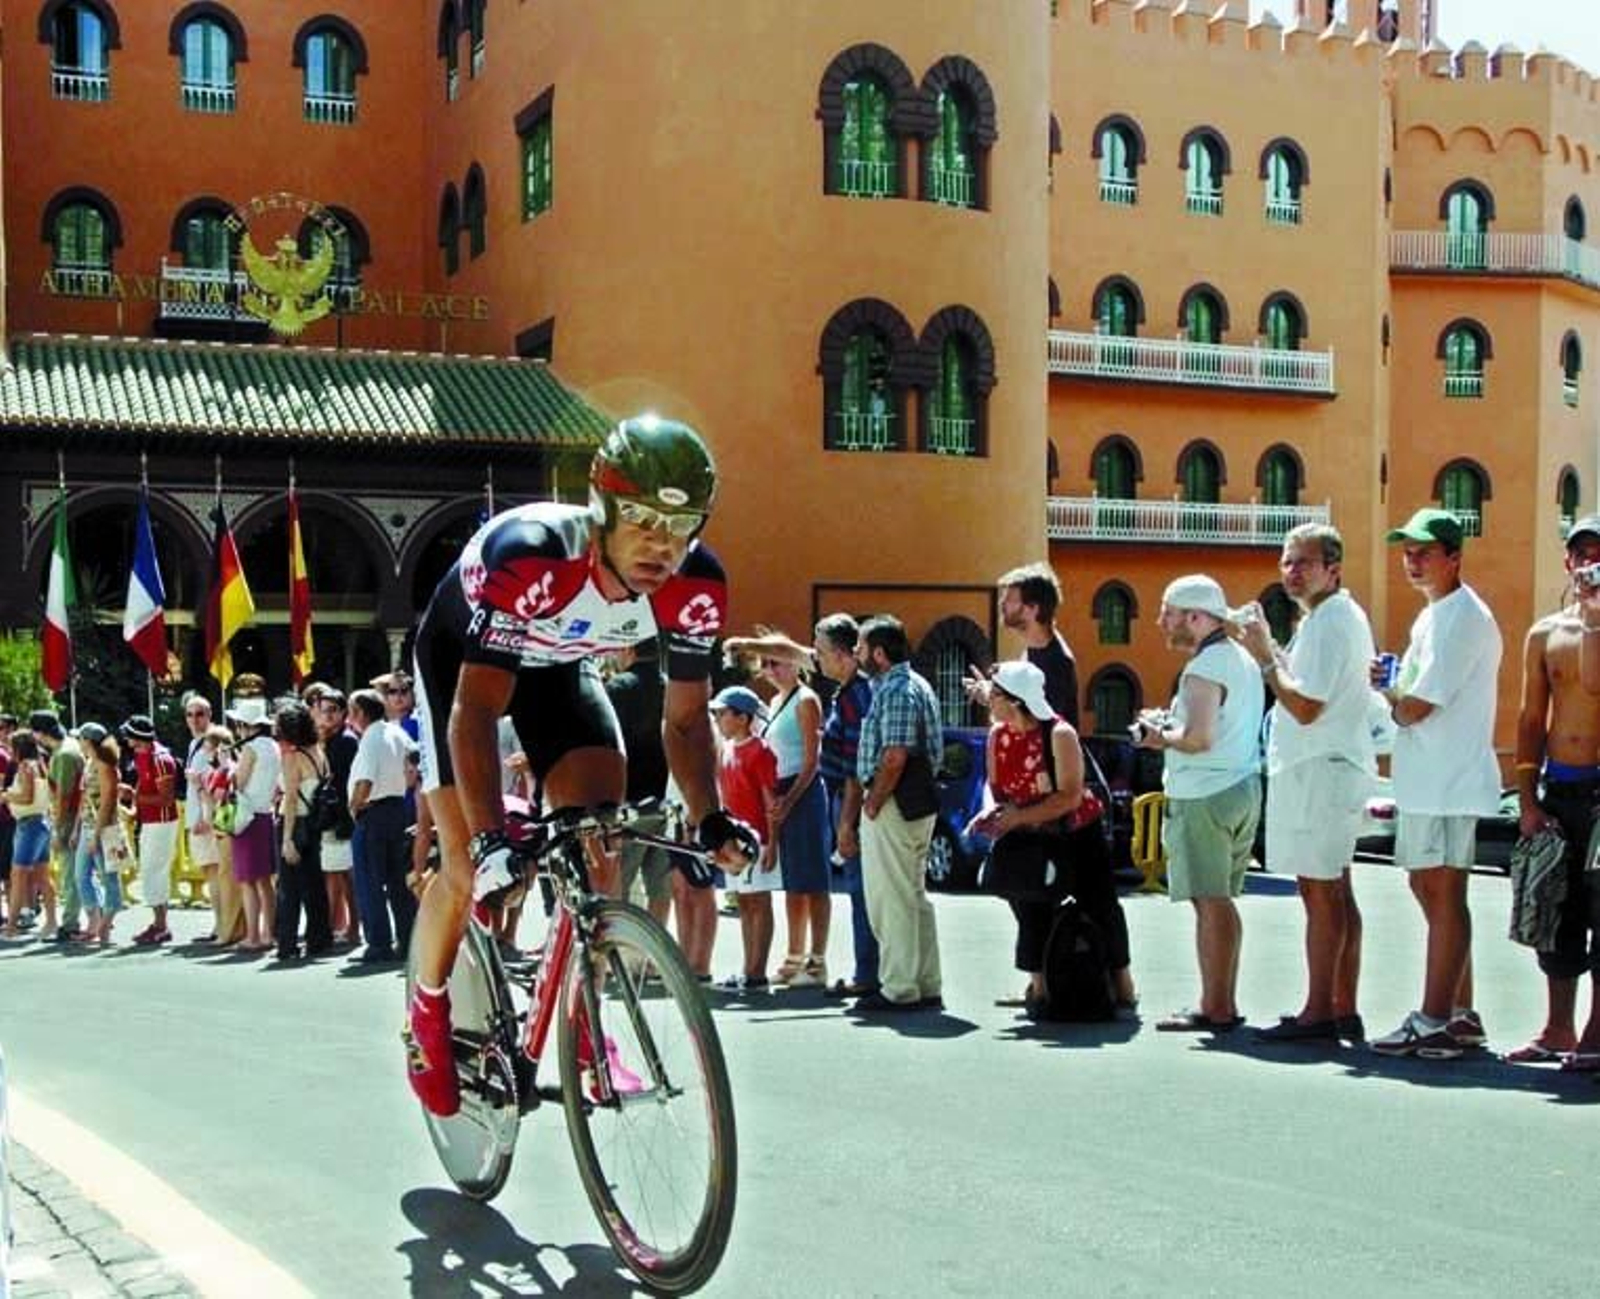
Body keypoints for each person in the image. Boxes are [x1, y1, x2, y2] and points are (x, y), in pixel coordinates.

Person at [404, 415, 756, 1116]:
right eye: (644, 522)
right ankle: (427, 1010)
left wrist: (711, 814)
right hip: (462, 667)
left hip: (558, 669)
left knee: (601, 849)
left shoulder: (697, 585)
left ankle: (585, 1023)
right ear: (604, 511)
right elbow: (474, 711)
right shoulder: (533, 555)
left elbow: (684, 719)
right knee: (468, 868)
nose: (662, 546)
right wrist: (489, 837)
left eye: (680, 527)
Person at [1237, 525, 1378, 1044]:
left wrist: (1264, 656)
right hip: (1328, 765)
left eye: (1304, 562)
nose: (1292, 571)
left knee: (1320, 891)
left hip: (1320, 766)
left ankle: (1320, 1009)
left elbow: (1303, 704)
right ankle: (1342, 1005)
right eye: (1287, 562)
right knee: (1335, 889)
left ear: (1332, 569)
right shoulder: (1332, 618)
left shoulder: (1330, 622)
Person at [1370, 509, 1502, 1058]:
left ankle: (1435, 1016)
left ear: (1454, 557)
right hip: (1428, 779)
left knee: (1445, 892)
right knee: (1428, 888)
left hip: (1450, 778)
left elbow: (1418, 706)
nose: (1412, 560)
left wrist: (1390, 694)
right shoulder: (1435, 615)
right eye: (1407, 551)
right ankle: (1458, 1014)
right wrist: (1394, 691)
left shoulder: (1463, 617)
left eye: (1424, 551)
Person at [966, 660, 1134, 1011]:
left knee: (1100, 904)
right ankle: (1040, 986)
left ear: (1015, 702)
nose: (987, 700)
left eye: (993, 695)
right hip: (1027, 832)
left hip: (1076, 831)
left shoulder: (1059, 734)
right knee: (1028, 904)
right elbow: (996, 789)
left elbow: (1069, 796)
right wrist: (991, 813)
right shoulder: (998, 736)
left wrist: (1017, 817)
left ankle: (1122, 985)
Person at [1135, 575, 1264, 1033]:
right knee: (1222, 901)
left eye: (1169, 612)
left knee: (1209, 902)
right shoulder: (1242, 660)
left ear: (1195, 616)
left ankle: (1215, 1006)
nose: (1161, 621)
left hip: (1204, 795)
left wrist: (1157, 737)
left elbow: (1198, 738)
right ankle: (1221, 1000)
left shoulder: (1204, 668)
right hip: (1241, 787)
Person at [1502, 517, 1600, 1067]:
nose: (1589, 563)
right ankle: (1557, 1027)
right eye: (1581, 554)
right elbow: (1530, 718)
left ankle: (1596, 1034)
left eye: (1599, 555)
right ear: (1567, 562)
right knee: (1554, 915)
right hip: (1559, 788)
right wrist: (1527, 798)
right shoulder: (1545, 633)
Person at [853, 614, 945, 1013]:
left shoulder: (897, 690)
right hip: (914, 802)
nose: (855, 654)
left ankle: (899, 988)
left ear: (878, 653)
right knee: (912, 894)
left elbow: (895, 754)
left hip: (894, 803)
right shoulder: (912, 684)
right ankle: (925, 983)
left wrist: (873, 800)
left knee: (891, 897)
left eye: (859, 647)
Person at [749, 634, 831, 988]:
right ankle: (794, 955)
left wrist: (790, 799)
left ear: (794, 662)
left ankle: (817, 960)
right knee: (794, 881)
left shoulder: (806, 699)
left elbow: (813, 761)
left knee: (814, 881)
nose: (770, 670)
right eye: (765, 663)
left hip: (804, 793)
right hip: (783, 793)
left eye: (776, 662)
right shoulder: (777, 699)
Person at [813, 613, 879, 997]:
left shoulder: (857, 696)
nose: (817, 660)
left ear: (842, 654)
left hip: (850, 799)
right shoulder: (853, 691)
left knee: (861, 890)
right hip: (844, 796)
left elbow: (856, 768)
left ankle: (867, 973)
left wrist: (846, 826)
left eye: (821, 652)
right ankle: (869, 970)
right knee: (862, 889)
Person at [710, 685, 781, 991]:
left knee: (758, 902)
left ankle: (757, 972)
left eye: (723, 713)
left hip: (758, 841)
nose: (718, 718)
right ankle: (748, 968)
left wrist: (772, 844)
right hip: (734, 841)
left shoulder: (760, 751)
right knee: (744, 902)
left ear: (742, 718)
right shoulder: (725, 749)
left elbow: (770, 802)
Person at [606, 641, 675, 927]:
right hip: (668, 799)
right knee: (660, 887)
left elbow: (609, 745)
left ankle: (616, 957)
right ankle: (653, 960)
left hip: (628, 801)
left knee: (616, 883)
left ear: (628, 648)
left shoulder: (617, 688)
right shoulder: (672, 688)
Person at [347, 688, 417, 965]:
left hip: (374, 813)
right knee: (398, 882)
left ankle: (379, 943)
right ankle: (407, 938)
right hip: (398, 810)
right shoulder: (397, 732)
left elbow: (364, 780)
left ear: (360, 713)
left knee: (370, 882)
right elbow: (412, 768)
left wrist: (355, 804)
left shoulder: (371, 740)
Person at [965, 562, 1080, 728]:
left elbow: (1040, 724)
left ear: (1033, 608)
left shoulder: (1058, 661)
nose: (1002, 604)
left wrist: (992, 696)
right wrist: (994, 693)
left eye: (1010, 599)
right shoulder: (1032, 651)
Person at [274, 699, 334, 961]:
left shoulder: (293, 757)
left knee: (289, 888)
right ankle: (319, 938)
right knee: (314, 885)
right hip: (315, 824)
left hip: (295, 822)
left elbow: (290, 799)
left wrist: (287, 838)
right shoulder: (318, 751)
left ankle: (287, 943)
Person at [121, 714, 181, 947]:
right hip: (150, 820)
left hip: (162, 822)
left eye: (130, 736)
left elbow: (166, 798)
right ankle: (158, 923)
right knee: (150, 871)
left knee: (154, 871)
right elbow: (143, 783)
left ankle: (161, 925)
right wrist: (136, 805)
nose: (127, 740)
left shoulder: (160, 759)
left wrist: (133, 797)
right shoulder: (143, 755)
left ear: (138, 737)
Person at [227, 697, 281, 953]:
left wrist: (227, 771)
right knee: (265, 880)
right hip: (265, 814)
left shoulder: (251, 749)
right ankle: (268, 933)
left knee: (248, 880)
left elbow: (238, 781)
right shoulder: (273, 746)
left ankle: (253, 935)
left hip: (246, 815)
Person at [308, 687, 360, 945]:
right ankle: (337, 924)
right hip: (328, 815)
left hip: (342, 815)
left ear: (343, 713)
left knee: (348, 875)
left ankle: (354, 928)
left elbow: (340, 781)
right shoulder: (326, 740)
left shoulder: (347, 741)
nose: (326, 716)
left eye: (332, 710)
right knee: (332, 872)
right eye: (322, 710)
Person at [32, 711, 84, 942]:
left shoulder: (63, 755)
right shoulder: (70, 746)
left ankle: (71, 922)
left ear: (40, 733)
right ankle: (93, 917)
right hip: (76, 815)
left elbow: (64, 795)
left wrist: (57, 827)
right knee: (79, 871)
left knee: (69, 872)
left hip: (69, 817)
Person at [75, 723, 127, 946]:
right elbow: (85, 798)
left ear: (88, 741)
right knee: (81, 876)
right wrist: (78, 828)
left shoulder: (106, 766)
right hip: (87, 826)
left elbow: (107, 802)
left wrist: (96, 835)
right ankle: (95, 921)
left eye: (81, 738)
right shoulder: (89, 763)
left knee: (109, 878)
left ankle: (106, 922)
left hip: (105, 830)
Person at [3, 732, 56, 938]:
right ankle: (51, 922)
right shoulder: (40, 764)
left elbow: (26, 797)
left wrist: (6, 795)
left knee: (18, 876)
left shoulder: (26, 767)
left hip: (29, 825)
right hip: (40, 822)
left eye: (11, 745)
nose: (8, 748)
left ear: (19, 748)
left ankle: (11, 927)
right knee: (43, 876)